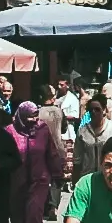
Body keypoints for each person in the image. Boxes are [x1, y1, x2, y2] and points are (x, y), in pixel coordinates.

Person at [7, 101, 65, 223]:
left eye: (35, 115)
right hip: (17, 179)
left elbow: (51, 152)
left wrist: (57, 174)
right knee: (18, 212)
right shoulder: (10, 131)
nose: (33, 119)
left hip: (39, 179)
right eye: (30, 116)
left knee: (34, 211)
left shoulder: (43, 129)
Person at [72, 96, 112, 179]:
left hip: (108, 176)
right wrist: (75, 179)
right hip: (87, 176)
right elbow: (77, 158)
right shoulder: (83, 131)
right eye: (91, 110)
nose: (94, 112)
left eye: (97, 109)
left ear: (104, 110)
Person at [37, 85, 67, 214]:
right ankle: (53, 206)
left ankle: (44, 205)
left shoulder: (37, 112)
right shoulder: (59, 111)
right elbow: (64, 129)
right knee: (57, 178)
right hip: (58, 148)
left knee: (42, 177)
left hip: (41, 149)